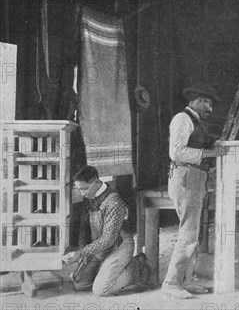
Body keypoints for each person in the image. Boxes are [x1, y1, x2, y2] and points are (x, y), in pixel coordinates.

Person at [162, 84, 220, 298]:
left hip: (195, 177)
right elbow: (176, 152)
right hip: (187, 177)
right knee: (188, 234)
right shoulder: (182, 119)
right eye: (207, 103)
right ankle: (171, 283)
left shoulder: (196, 123)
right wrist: (208, 153)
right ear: (195, 100)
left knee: (192, 233)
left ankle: (185, 281)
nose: (210, 109)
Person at [62, 166, 149, 296]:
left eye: (84, 189)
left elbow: (109, 239)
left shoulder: (114, 201)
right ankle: (105, 268)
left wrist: (81, 253)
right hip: (100, 247)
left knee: (101, 290)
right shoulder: (88, 198)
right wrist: (83, 251)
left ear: (96, 182)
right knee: (80, 284)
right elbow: (84, 229)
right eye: (79, 189)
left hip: (119, 247)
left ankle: (136, 264)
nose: (82, 193)